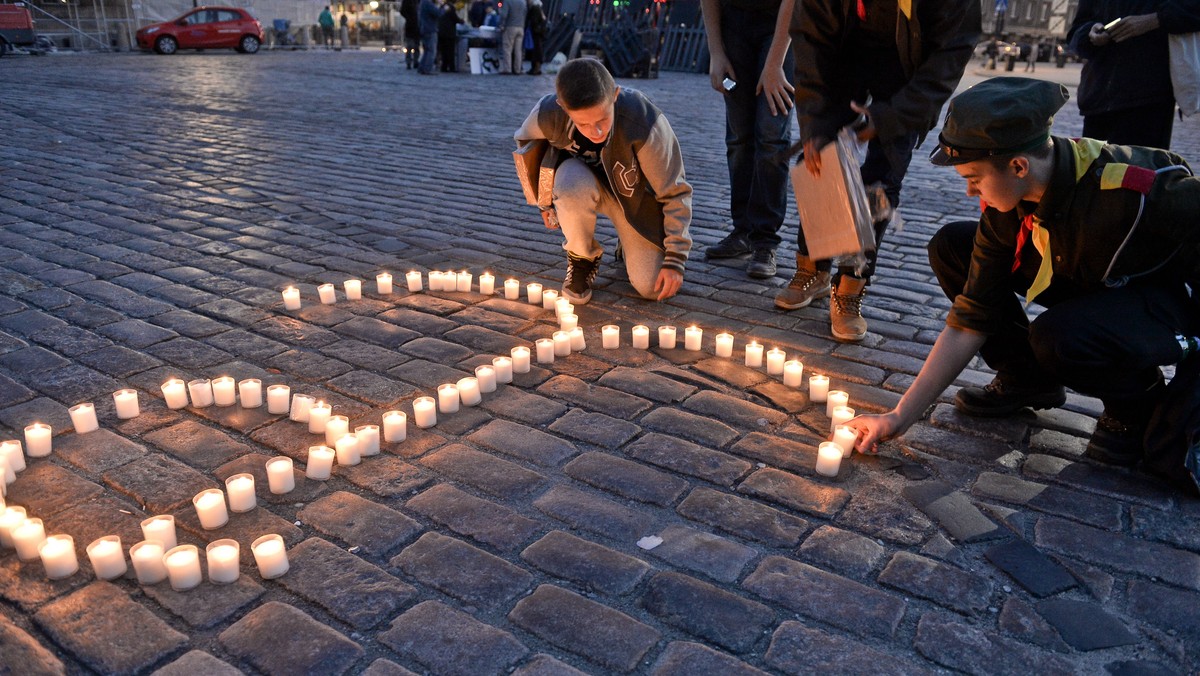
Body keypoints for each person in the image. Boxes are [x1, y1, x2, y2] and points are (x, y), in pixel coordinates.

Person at [850, 77, 1200, 496]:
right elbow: (969, 318)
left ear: (1019, 165)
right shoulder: (1009, 202)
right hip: (1091, 279)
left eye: (975, 178)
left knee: (1058, 337)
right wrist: (899, 417)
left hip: (1164, 302)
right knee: (953, 246)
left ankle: (1135, 405)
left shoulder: (1135, 190)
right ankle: (1026, 377)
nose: (968, 190)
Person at [777, 0, 980, 342]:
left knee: (880, 180)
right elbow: (809, 39)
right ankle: (813, 268)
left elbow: (949, 55)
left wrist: (891, 117)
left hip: (907, 72)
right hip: (841, 57)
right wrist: (815, 123)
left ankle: (851, 284)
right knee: (821, 159)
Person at [513, 58, 693, 304]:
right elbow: (526, 149)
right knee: (570, 185)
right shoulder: (547, 115)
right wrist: (544, 200)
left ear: (615, 95)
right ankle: (582, 258)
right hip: (581, 184)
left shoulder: (643, 122)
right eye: (583, 124)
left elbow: (675, 193)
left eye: (602, 120)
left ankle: (628, 239)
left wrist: (675, 258)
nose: (595, 132)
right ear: (563, 107)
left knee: (652, 287)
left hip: (636, 201)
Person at [700, 0, 795, 279]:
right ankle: (742, 230)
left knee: (771, 135)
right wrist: (716, 53)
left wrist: (775, 63)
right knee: (739, 136)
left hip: (781, 28)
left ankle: (764, 240)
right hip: (734, 27)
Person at [1067, 0, 1200, 149]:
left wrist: (1156, 19)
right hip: (1098, 96)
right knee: (1095, 168)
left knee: (1137, 168)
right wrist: (1090, 32)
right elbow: (1076, 31)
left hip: (1148, 100)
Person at [498, 0, 527, 74]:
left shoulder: (508, 1)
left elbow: (504, 15)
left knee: (507, 48)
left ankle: (507, 69)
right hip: (520, 27)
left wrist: (501, 25)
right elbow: (525, 14)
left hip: (510, 26)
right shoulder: (523, 2)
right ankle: (517, 69)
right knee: (518, 50)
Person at [438, 0, 463, 72]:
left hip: (442, 32)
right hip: (449, 33)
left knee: (444, 51)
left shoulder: (442, 6)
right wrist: (461, 21)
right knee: (450, 51)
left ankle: (444, 67)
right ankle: (452, 67)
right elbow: (454, 18)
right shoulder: (451, 7)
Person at [418, 0, 440, 74]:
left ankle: (422, 67)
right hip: (430, 29)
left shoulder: (423, 2)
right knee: (431, 51)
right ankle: (427, 69)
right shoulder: (428, 3)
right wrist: (443, 7)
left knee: (427, 50)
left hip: (424, 29)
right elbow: (438, 13)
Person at [525, 0, 546, 75]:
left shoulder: (535, 8)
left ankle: (536, 68)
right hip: (539, 32)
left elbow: (534, 20)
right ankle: (536, 68)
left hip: (536, 32)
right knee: (537, 50)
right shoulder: (539, 8)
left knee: (536, 51)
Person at [402, 0, 421, 69]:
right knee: (410, 45)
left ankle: (415, 61)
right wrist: (409, 18)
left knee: (416, 46)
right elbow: (403, 11)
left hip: (417, 26)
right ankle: (409, 62)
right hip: (411, 26)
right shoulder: (407, 2)